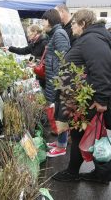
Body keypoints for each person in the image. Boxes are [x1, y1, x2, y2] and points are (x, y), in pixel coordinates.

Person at [53, 9, 111, 183]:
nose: (71, 26)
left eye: (73, 23)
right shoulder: (90, 38)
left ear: (83, 24)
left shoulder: (92, 39)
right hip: (82, 97)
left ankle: (74, 172)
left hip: (88, 99)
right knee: (89, 135)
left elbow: (102, 70)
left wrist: (101, 100)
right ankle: (100, 175)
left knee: (83, 134)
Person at [41, 9, 70, 157]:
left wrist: (60, 83)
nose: (42, 24)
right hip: (56, 80)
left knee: (61, 115)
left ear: (50, 20)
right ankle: (60, 142)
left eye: (43, 21)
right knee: (59, 113)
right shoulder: (54, 34)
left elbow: (65, 59)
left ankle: (61, 147)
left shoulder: (59, 34)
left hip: (60, 82)